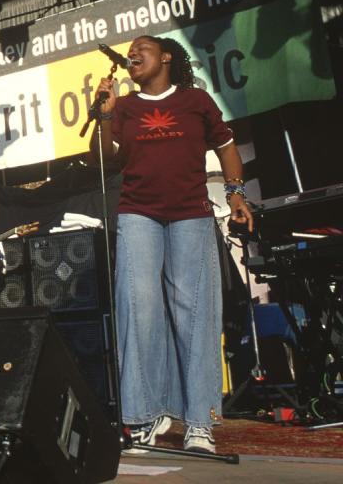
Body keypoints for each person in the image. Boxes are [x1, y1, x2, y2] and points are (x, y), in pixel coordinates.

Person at [91, 35, 253, 454]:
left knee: (195, 312)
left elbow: (226, 146)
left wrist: (236, 194)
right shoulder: (124, 107)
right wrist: (104, 115)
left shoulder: (195, 100)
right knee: (137, 307)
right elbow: (104, 160)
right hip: (138, 212)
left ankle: (201, 422)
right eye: (129, 53)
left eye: (140, 47)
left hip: (191, 213)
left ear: (165, 56)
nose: (132, 54)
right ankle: (145, 416)